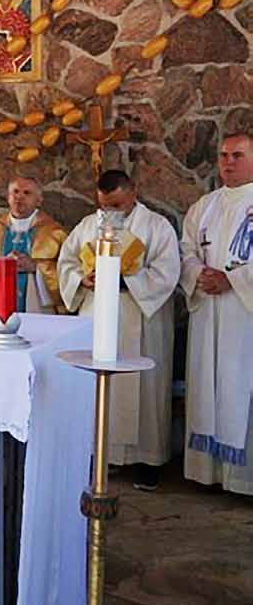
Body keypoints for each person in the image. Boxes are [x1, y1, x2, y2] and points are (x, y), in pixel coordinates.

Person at [58, 170, 179, 490]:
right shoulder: (88, 225)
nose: (110, 213)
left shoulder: (157, 227)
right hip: (97, 314)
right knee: (100, 387)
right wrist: (81, 280)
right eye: (104, 206)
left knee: (144, 388)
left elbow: (167, 273)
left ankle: (147, 461)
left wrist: (127, 280)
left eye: (117, 205)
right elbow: (66, 262)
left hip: (140, 316)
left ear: (133, 192)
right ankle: (104, 455)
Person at [181, 130, 253, 495]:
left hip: (245, 317)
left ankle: (243, 480)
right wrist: (199, 275)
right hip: (208, 311)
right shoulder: (204, 206)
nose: (228, 162)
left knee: (241, 382)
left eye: (237, 155)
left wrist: (234, 280)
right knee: (208, 382)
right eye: (224, 155)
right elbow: (186, 250)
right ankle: (207, 473)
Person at [0, 176, 67, 313]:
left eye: (27, 193)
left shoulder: (55, 233)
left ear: (39, 200)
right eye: (15, 192)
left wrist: (36, 268)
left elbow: (66, 271)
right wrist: (2, 265)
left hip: (37, 304)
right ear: (8, 197)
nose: (19, 197)